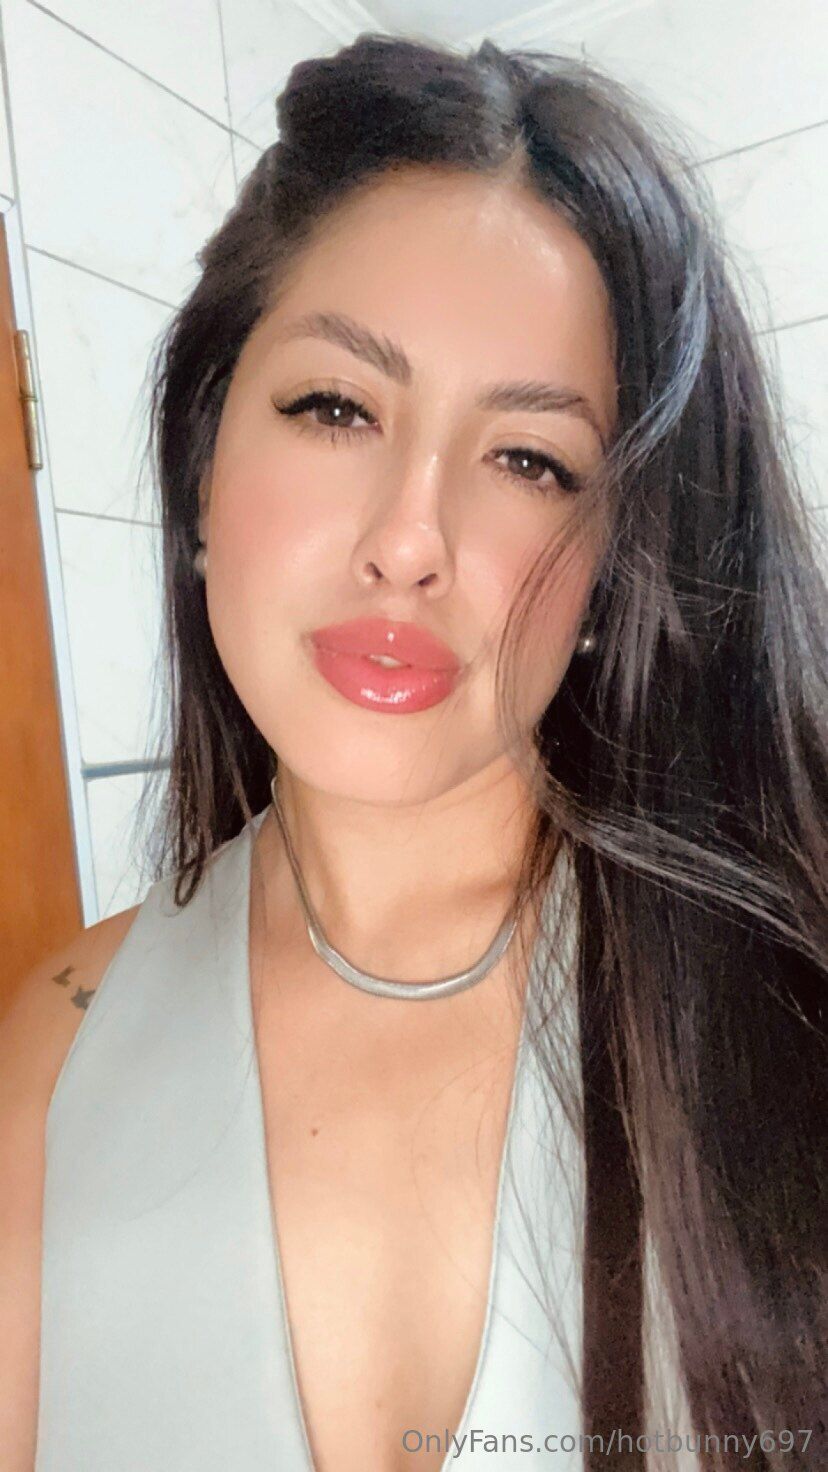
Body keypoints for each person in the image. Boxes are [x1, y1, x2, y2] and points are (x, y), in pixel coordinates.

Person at [2, 31, 825, 1472]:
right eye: (336, 408)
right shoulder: (52, 1064)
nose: (408, 541)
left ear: (611, 569)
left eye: (530, 461)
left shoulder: (783, 1006)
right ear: (201, 456)